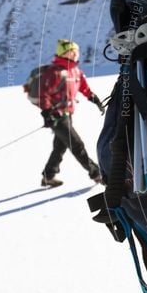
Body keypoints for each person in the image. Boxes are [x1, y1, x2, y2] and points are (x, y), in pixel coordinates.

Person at [39, 39, 104, 188]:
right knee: (77, 145)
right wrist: (47, 113)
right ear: (64, 53)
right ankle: (96, 173)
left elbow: (84, 88)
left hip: (68, 115)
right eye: (73, 52)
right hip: (58, 117)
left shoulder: (75, 71)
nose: (76, 54)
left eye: (77, 52)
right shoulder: (55, 71)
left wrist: (95, 100)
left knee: (60, 147)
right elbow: (43, 94)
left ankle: (48, 176)